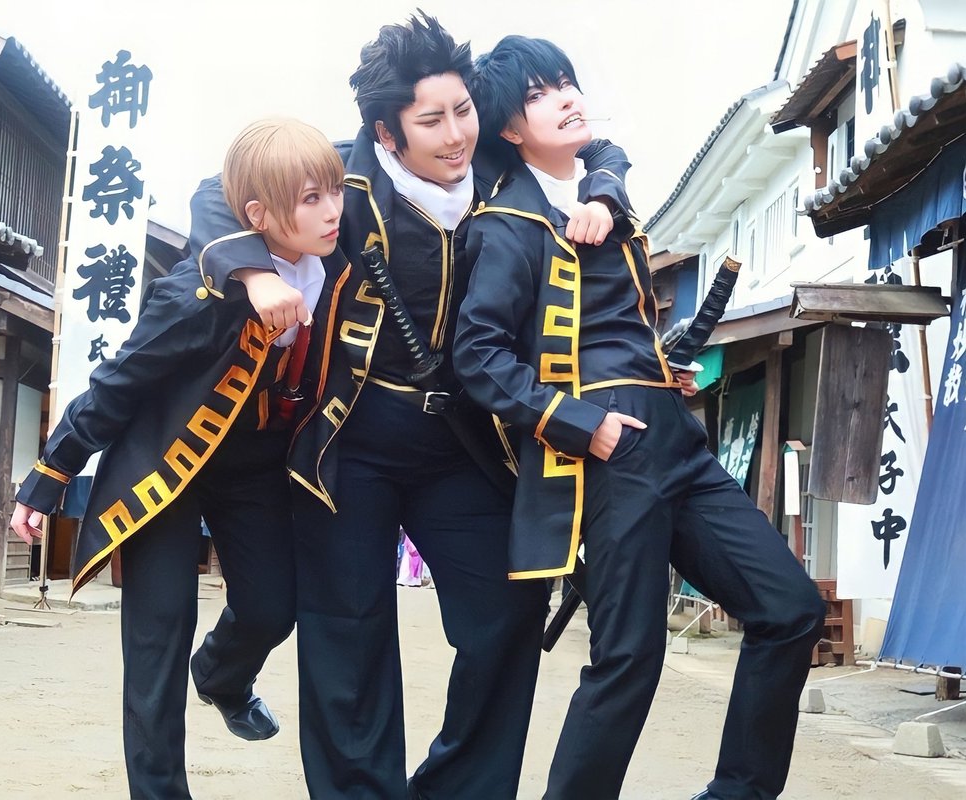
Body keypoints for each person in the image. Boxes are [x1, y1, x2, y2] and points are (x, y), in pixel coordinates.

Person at [188, 14, 634, 799]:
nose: (456, 134)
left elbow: (597, 148)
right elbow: (215, 194)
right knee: (349, 633)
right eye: (432, 120)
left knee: (507, 610)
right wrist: (254, 273)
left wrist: (603, 187)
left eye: (463, 110)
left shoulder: (499, 170)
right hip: (348, 437)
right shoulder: (342, 174)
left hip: (463, 440)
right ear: (386, 132)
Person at [456, 35, 827, 800]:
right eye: (538, 94)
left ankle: (737, 792)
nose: (566, 97)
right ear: (510, 129)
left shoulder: (600, 187)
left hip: (678, 441)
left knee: (790, 609)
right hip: (612, 453)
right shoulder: (505, 227)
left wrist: (659, 368)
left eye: (565, 80)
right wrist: (577, 423)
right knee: (629, 656)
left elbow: (609, 158)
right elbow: (478, 355)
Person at [9, 118, 346, 800]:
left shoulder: (331, 268)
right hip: (165, 471)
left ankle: (221, 676)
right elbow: (116, 386)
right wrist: (48, 477)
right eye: (311, 199)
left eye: (333, 193)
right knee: (158, 637)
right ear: (258, 216)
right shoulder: (194, 298)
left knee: (271, 608)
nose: (333, 210)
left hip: (253, 466)